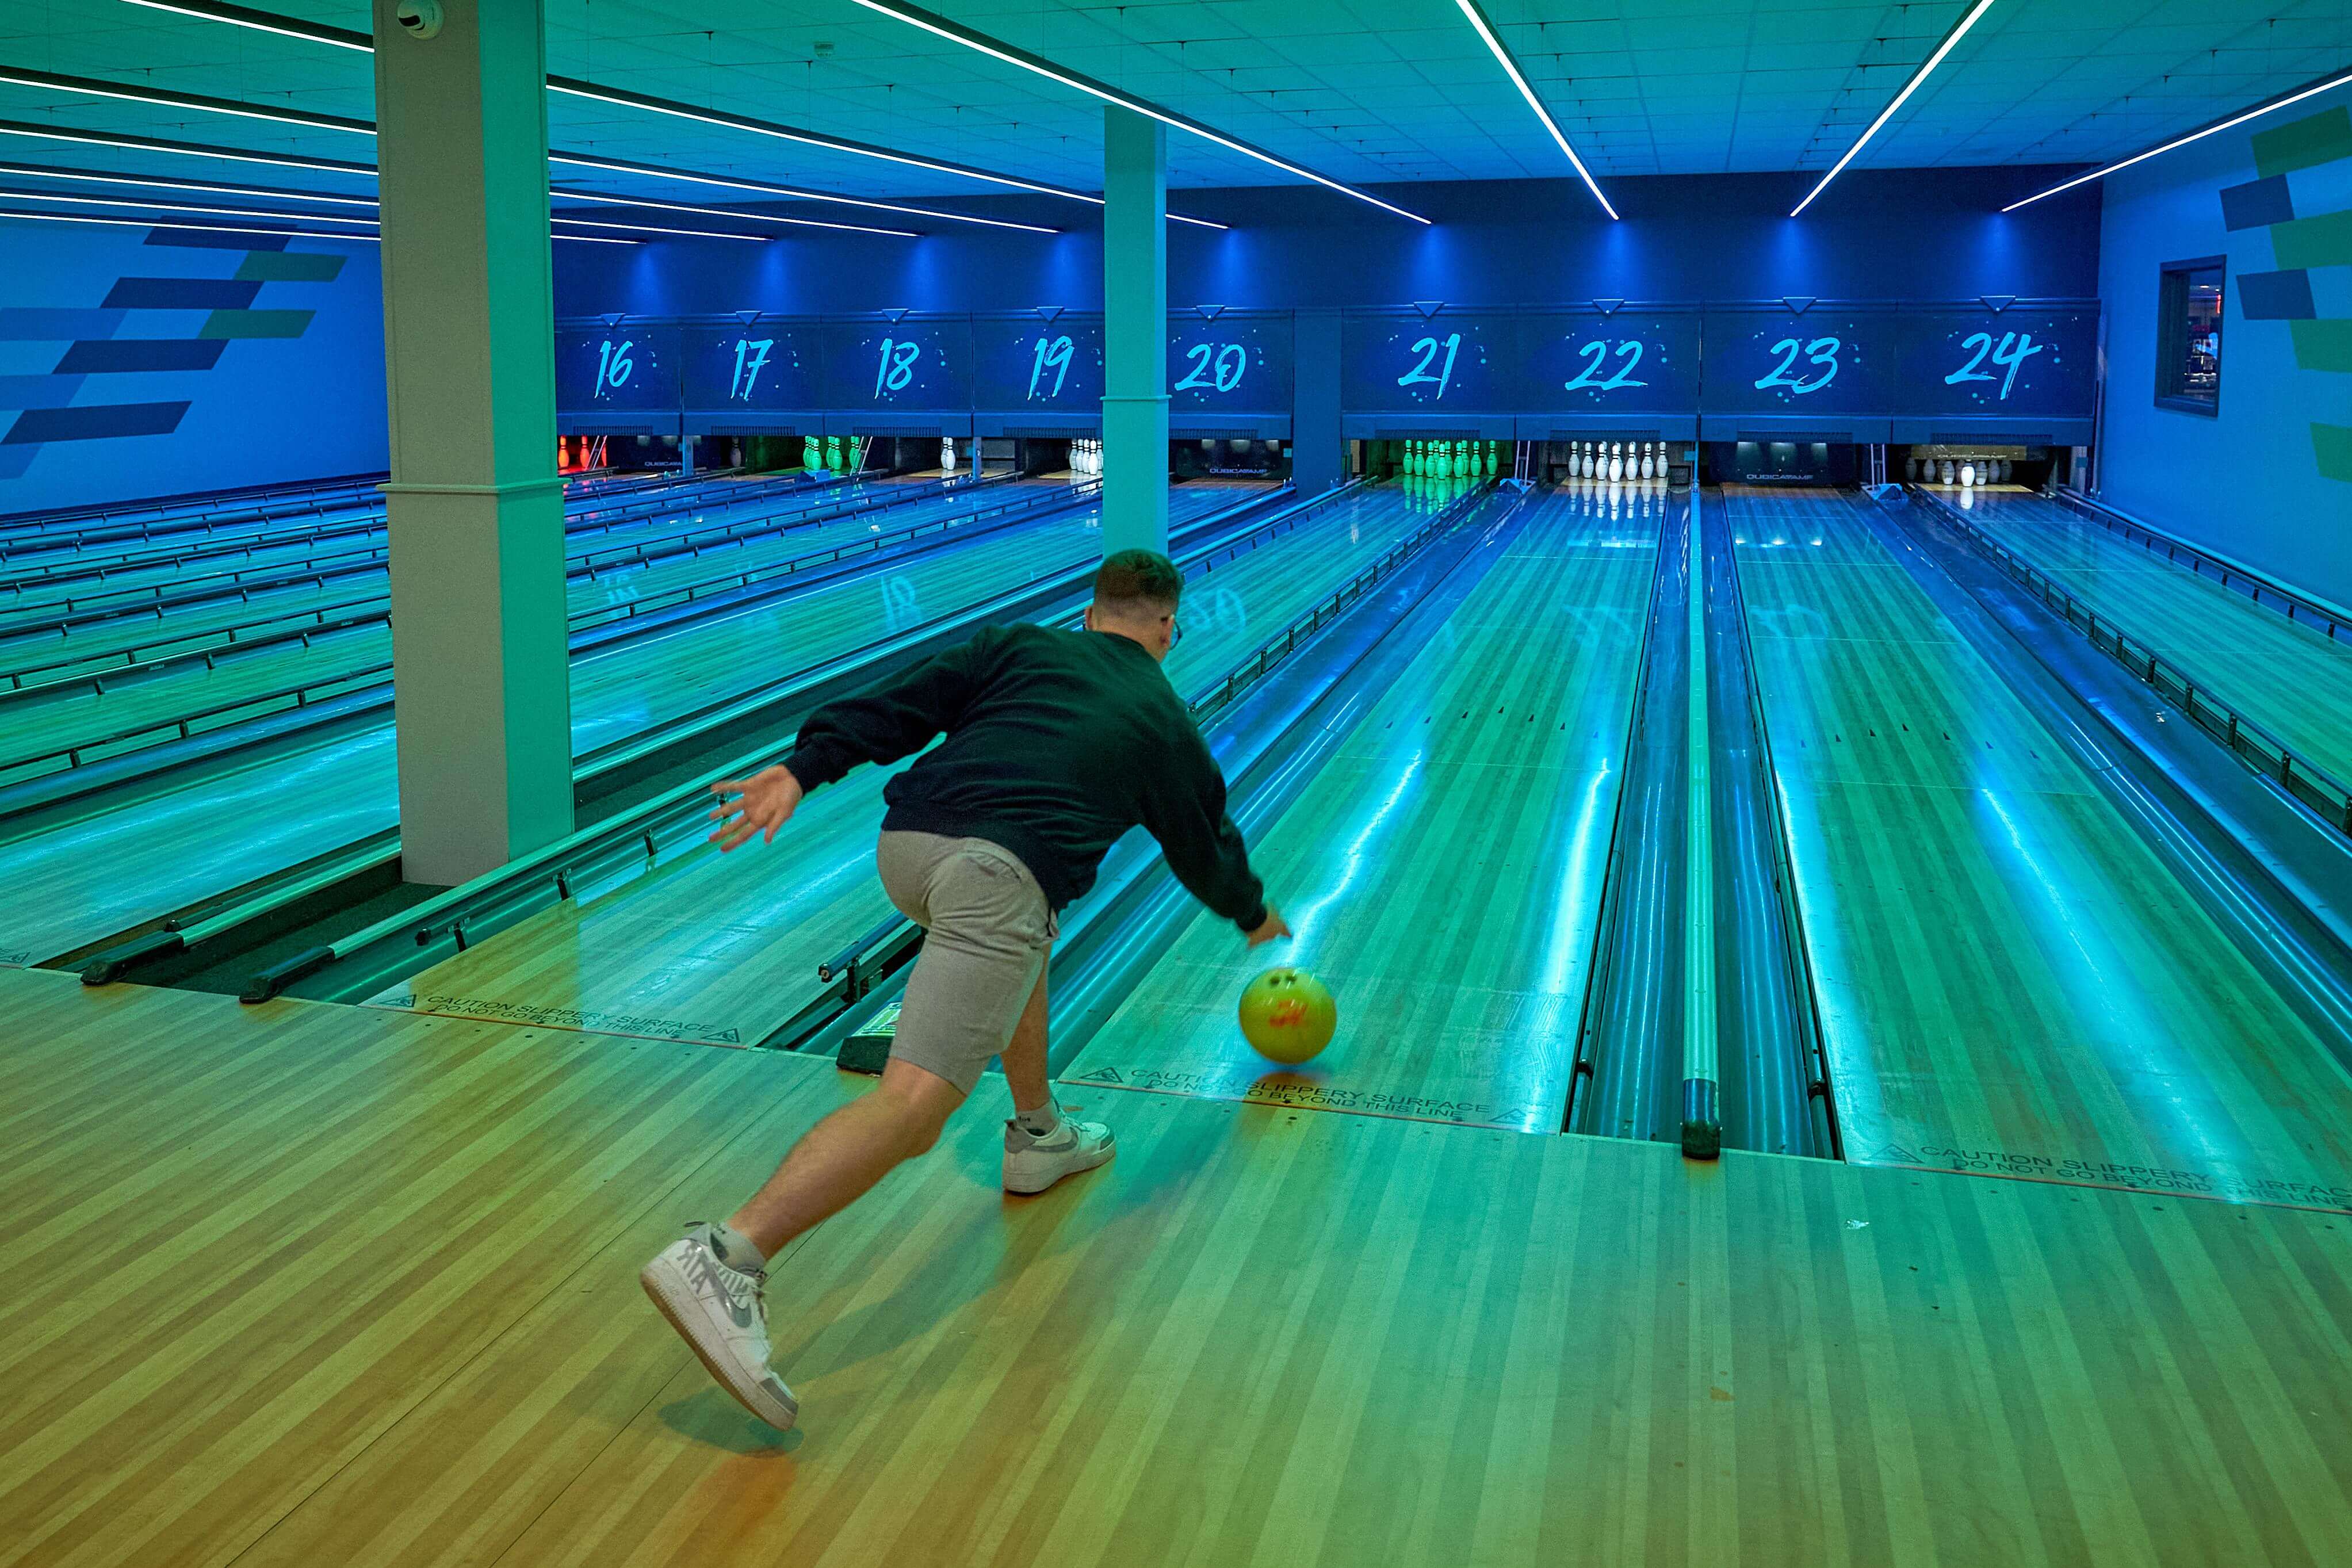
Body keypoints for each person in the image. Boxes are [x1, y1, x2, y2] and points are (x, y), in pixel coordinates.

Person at [640, 548, 1290, 1431]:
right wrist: (1251, 913)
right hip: (994, 873)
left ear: (1090, 613)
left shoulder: (1019, 644)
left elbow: (904, 700)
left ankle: (1039, 1133)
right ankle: (731, 1254)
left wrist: (803, 765)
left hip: (909, 845)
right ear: (1167, 629)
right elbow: (1200, 840)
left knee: (1030, 928)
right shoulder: (1163, 718)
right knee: (911, 1108)